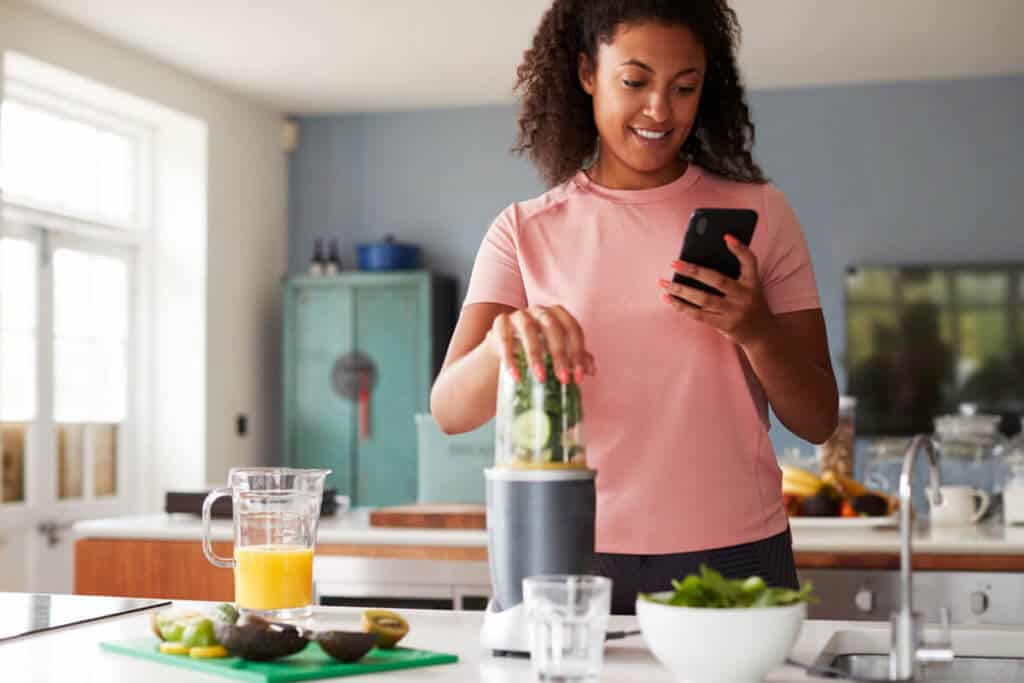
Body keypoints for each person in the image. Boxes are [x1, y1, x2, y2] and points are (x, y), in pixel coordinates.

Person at [430, 0, 839, 615]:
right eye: (635, 81)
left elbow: (818, 419)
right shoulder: (523, 231)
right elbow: (450, 410)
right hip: (563, 550)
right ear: (588, 74)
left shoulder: (762, 215)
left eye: (684, 87)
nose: (659, 110)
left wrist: (754, 330)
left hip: (734, 549)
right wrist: (502, 342)